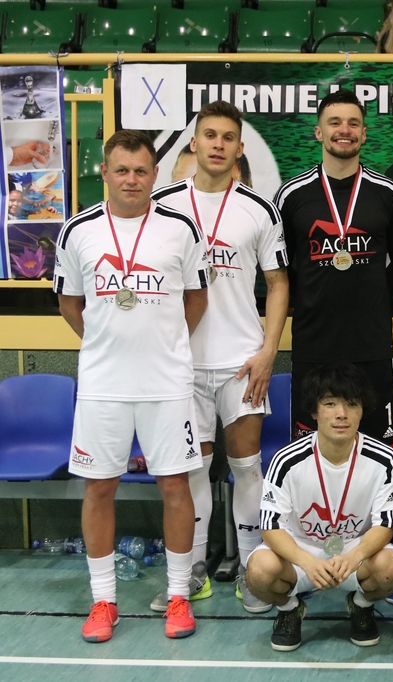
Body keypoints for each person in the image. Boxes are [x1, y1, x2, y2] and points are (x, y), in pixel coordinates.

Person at [53, 129, 210, 643]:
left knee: (175, 485)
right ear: (104, 172)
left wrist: (164, 345)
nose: (131, 180)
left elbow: (196, 299)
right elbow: (70, 304)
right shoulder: (78, 230)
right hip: (103, 384)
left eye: (141, 171)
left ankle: (179, 595)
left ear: (155, 174)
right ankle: (103, 601)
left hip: (167, 383)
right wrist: (107, 343)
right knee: (99, 487)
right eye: (121, 170)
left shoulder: (180, 228)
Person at [151, 100, 290, 615]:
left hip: (241, 362)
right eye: (209, 135)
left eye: (228, 137)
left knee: (247, 468)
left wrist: (268, 350)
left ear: (239, 148)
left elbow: (278, 283)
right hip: (181, 365)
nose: (217, 144)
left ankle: (254, 571)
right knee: (193, 470)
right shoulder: (163, 204)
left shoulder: (259, 208)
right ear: (194, 142)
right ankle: (192, 572)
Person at [275, 88, 393, 444]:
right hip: (313, 346)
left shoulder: (389, 194)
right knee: (309, 454)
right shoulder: (291, 195)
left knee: (380, 451)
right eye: (334, 122)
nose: (344, 130)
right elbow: (282, 269)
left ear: (364, 133)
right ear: (319, 132)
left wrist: (371, 292)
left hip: (372, 345)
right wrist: (312, 296)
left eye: (353, 123)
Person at [245, 364, 393, 652]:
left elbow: (386, 524)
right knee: (258, 571)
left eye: (351, 404)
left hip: (354, 549)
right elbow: (270, 527)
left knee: (390, 568)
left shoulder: (385, 459)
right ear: (314, 411)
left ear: (362, 411)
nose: (341, 414)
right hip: (301, 550)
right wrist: (307, 562)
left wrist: (356, 555)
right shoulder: (286, 460)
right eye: (330, 404)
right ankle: (289, 609)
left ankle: (361, 605)